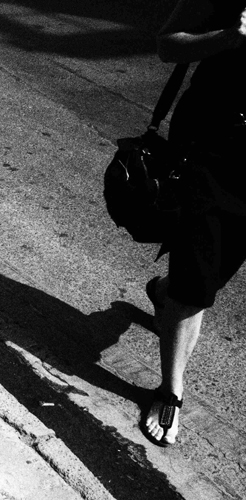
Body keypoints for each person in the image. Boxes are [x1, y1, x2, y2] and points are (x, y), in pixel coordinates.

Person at [144, 0, 246, 447]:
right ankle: (171, 389)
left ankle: (166, 295)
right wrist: (230, 38)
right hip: (211, 145)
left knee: (215, 272)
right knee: (196, 278)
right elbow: (169, 44)